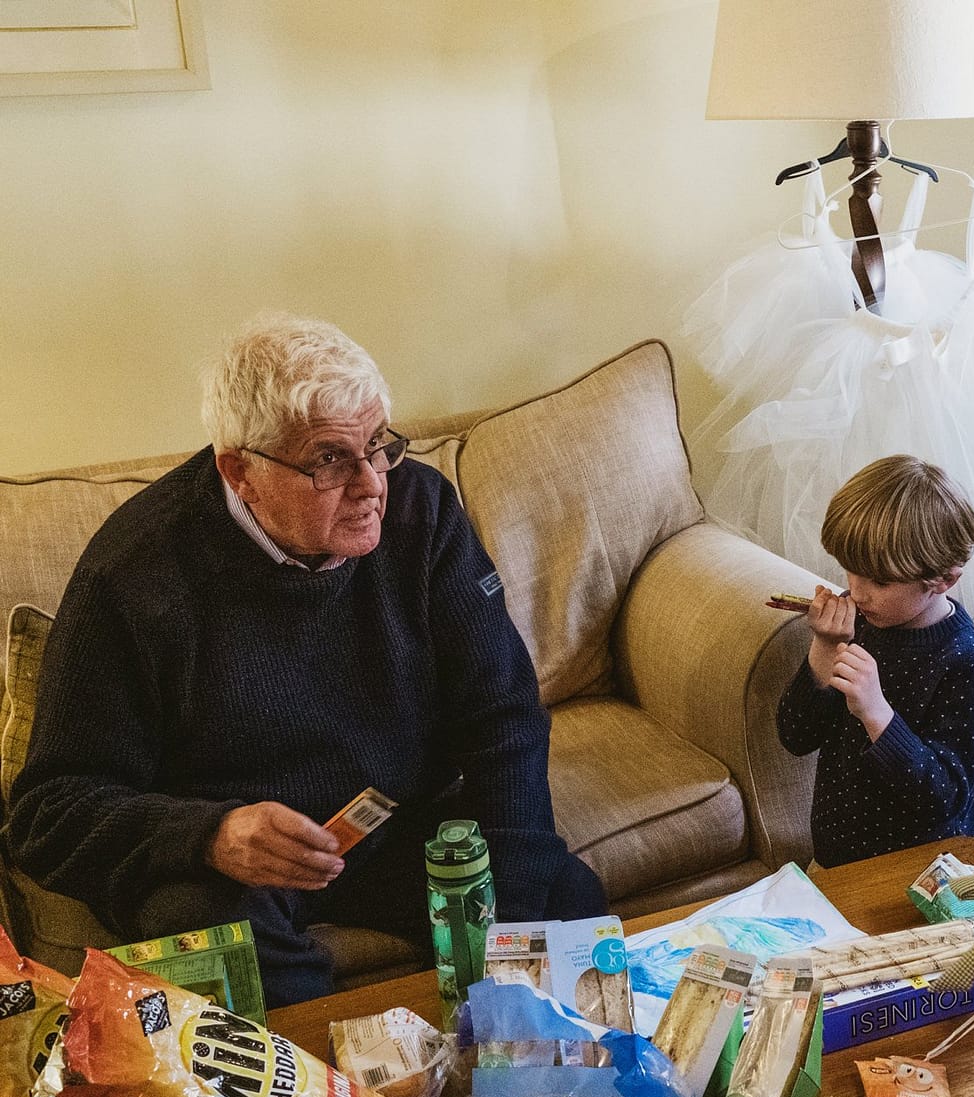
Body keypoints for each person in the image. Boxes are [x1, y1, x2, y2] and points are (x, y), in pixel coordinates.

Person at [4, 313, 607, 1007]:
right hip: (237, 866)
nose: (371, 484)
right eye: (329, 459)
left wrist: (514, 916)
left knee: (562, 897)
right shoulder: (134, 574)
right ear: (242, 471)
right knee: (210, 942)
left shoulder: (422, 511)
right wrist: (210, 834)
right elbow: (49, 813)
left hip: (397, 819)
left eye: (378, 444)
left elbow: (504, 718)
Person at [775, 454, 974, 867]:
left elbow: (944, 798)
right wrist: (824, 650)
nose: (856, 594)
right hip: (839, 856)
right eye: (850, 572)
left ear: (944, 580)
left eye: (879, 581)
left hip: (928, 870)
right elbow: (796, 736)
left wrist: (876, 712)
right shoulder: (859, 619)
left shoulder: (969, 665)